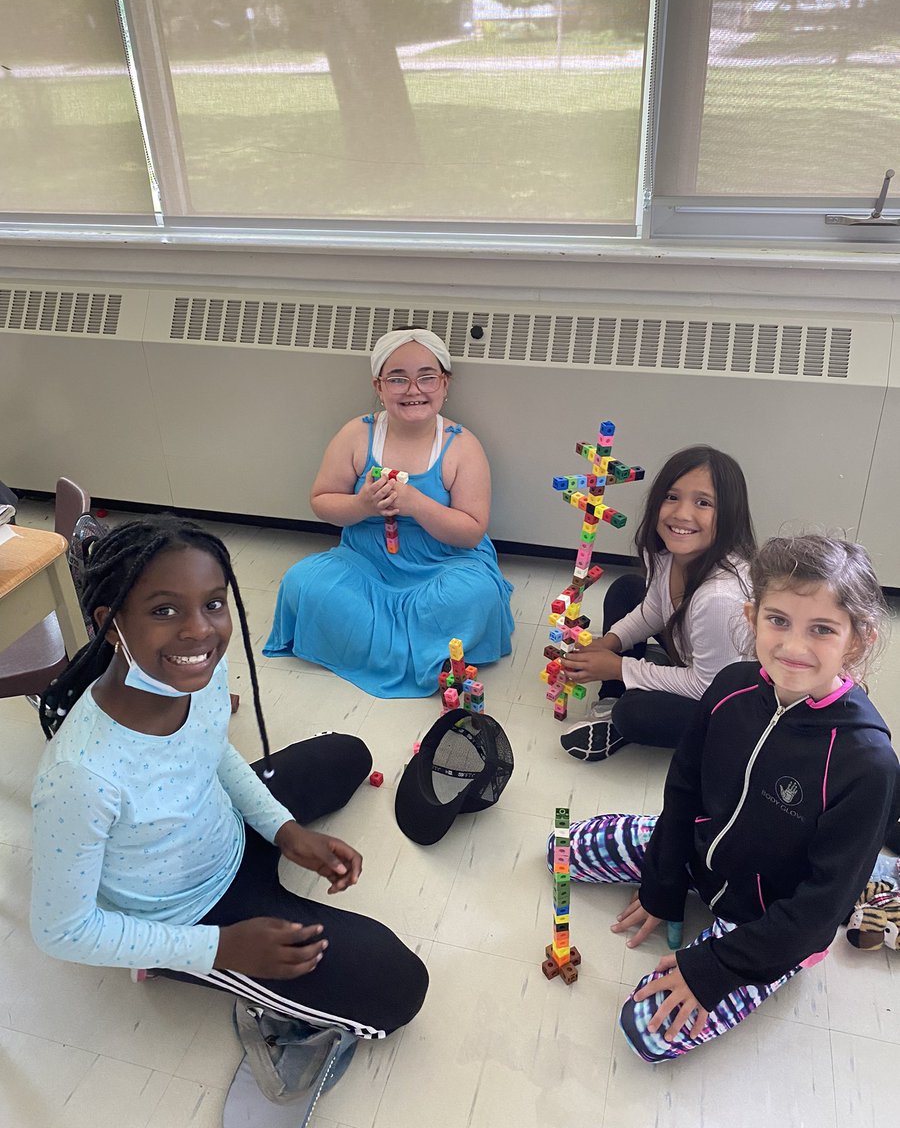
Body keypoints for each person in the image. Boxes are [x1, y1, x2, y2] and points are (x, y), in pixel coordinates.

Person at [32, 516, 428, 1040]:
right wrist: (218, 948)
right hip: (188, 913)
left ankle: (257, 863)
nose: (199, 630)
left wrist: (282, 830)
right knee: (399, 986)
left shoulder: (198, 670)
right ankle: (166, 961)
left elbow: (210, 748)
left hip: (226, 833)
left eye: (213, 603)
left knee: (348, 754)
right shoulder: (80, 776)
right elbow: (62, 930)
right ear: (113, 622)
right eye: (164, 610)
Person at [555, 534, 900, 1062]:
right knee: (560, 848)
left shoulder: (868, 763)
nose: (793, 646)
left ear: (857, 641)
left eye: (822, 630)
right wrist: (662, 883)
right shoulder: (732, 686)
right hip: (698, 851)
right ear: (752, 615)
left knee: (646, 1033)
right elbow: (684, 786)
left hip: (764, 920)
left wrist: (712, 966)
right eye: (778, 620)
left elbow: (818, 913)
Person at [264, 327, 514, 698]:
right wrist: (362, 505)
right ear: (379, 388)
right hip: (366, 559)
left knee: (475, 594)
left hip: (444, 561)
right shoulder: (356, 434)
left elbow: (471, 532)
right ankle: (421, 649)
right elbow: (321, 501)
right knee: (303, 582)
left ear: (445, 385)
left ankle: (380, 645)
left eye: (426, 378)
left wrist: (416, 503)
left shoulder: (462, 445)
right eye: (398, 379)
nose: (413, 390)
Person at [559, 445, 755, 762]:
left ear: (730, 514)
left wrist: (620, 667)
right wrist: (609, 644)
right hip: (692, 652)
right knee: (626, 589)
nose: (681, 514)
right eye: (672, 496)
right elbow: (653, 610)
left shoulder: (720, 597)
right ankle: (612, 697)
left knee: (636, 714)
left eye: (703, 503)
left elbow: (707, 686)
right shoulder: (667, 553)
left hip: (725, 699)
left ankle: (624, 706)